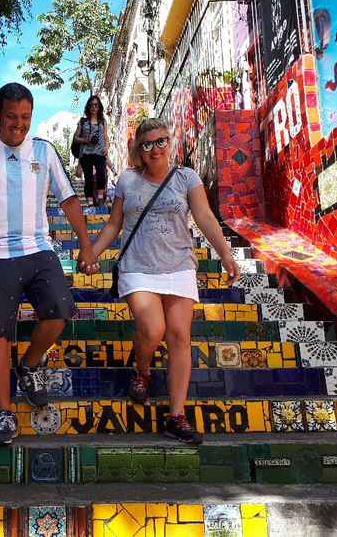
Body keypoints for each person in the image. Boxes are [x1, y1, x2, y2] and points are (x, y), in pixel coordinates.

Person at [0, 82, 99, 446]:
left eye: (26, 118)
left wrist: (87, 245)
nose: (18, 125)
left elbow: (68, 200)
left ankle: (29, 364)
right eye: (12, 117)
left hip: (37, 249)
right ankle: (3, 413)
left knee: (60, 310)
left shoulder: (44, 151)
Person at [91, 118, 240, 445]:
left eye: (161, 141)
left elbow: (203, 216)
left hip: (178, 265)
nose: (155, 148)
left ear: (170, 143)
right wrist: (92, 252)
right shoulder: (127, 181)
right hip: (138, 266)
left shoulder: (186, 178)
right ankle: (142, 371)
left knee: (179, 337)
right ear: (139, 151)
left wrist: (226, 254)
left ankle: (176, 415)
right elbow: (114, 225)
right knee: (153, 328)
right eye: (147, 144)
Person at [73, 95, 109, 206]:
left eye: (96, 105)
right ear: (88, 107)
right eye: (91, 105)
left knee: (101, 174)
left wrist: (106, 148)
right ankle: (89, 203)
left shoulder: (102, 121)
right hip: (86, 153)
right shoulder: (83, 121)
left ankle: (100, 199)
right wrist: (86, 140)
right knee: (88, 178)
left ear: (99, 107)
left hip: (99, 153)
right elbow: (75, 137)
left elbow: (106, 137)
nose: (94, 107)